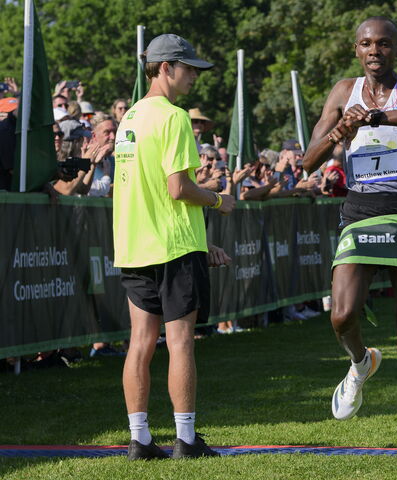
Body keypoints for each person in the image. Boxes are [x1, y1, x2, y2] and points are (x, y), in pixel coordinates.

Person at [303, 16, 397, 476]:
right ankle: (361, 363)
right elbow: (307, 161)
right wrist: (339, 132)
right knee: (341, 316)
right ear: (356, 50)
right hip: (360, 213)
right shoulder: (344, 92)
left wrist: (378, 117)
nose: (374, 50)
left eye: (383, 43)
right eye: (366, 43)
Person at [112, 33, 235, 461]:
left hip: (134, 245)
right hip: (173, 248)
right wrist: (218, 200)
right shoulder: (174, 117)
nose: (195, 77)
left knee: (140, 343)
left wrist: (204, 239)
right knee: (180, 343)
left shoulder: (129, 118)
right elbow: (178, 188)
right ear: (166, 68)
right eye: (189, 68)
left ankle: (140, 440)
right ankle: (185, 438)